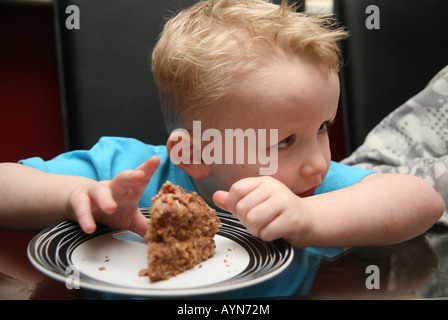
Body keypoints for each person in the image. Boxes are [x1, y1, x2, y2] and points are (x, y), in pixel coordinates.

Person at [0, 0, 443, 249]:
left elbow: (421, 201)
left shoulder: (306, 192)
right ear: (194, 154)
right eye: (286, 140)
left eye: (323, 127)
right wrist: (72, 195)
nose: (318, 161)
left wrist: (311, 218)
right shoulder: (127, 175)